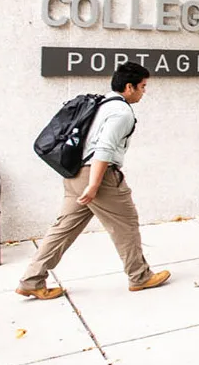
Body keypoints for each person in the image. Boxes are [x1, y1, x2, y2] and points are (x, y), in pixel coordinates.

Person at [16, 62, 171, 299]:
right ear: (129, 87)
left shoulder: (99, 104)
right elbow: (104, 148)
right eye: (142, 86)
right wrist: (95, 185)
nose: (144, 92)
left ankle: (31, 280)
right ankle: (140, 276)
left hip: (74, 174)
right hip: (98, 177)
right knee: (125, 223)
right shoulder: (121, 112)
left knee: (63, 229)